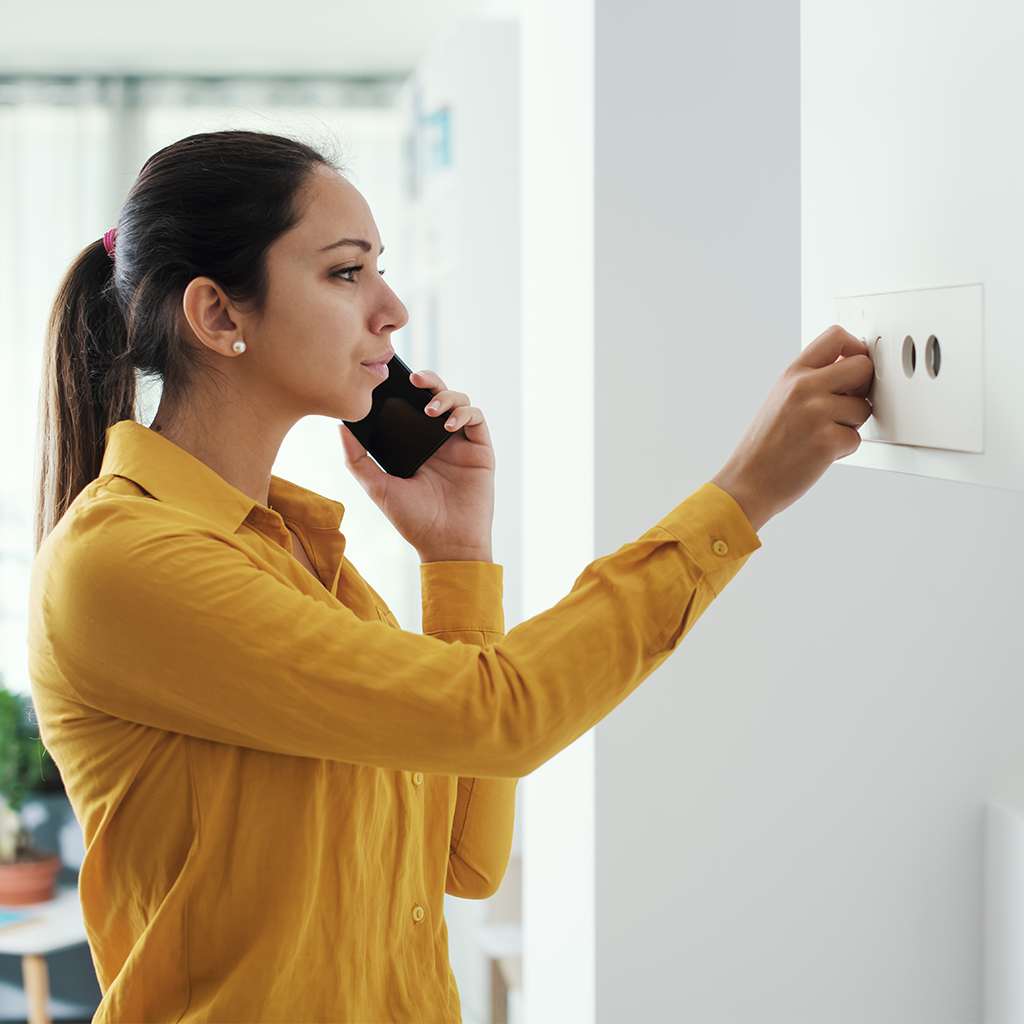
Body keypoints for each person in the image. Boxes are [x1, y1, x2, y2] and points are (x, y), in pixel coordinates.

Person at [28, 130, 872, 1024]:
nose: (390, 309)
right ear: (218, 315)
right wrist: (740, 498)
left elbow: (467, 860)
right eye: (347, 273)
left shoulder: (299, 558)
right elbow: (498, 718)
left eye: (378, 270)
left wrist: (457, 559)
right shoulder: (125, 561)